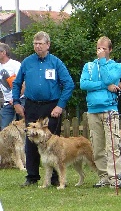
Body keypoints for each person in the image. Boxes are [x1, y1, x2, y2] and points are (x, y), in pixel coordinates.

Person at [11, 31, 74, 187]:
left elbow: (69, 84)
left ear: (48, 45)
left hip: (51, 106)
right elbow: (17, 83)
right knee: (30, 140)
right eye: (35, 43)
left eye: (40, 43)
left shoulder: (56, 63)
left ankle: (54, 178)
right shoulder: (27, 62)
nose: (37, 46)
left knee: (52, 142)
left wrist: (60, 105)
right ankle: (32, 176)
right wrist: (17, 102)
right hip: (31, 105)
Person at [80, 36, 121, 188]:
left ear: (110, 50)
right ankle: (103, 176)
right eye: (99, 48)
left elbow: (109, 78)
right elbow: (83, 84)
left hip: (109, 109)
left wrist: (103, 62)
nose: (101, 51)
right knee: (97, 146)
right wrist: (105, 86)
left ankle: (115, 178)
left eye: (104, 48)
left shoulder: (116, 66)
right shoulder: (88, 66)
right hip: (93, 110)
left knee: (113, 145)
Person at [0, 43, 21, 130]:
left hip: (20, 100)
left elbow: (23, 83)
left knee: (21, 128)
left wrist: (16, 98)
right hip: (7, 102)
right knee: (4, 129)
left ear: (3, 53)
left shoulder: (15, 65)